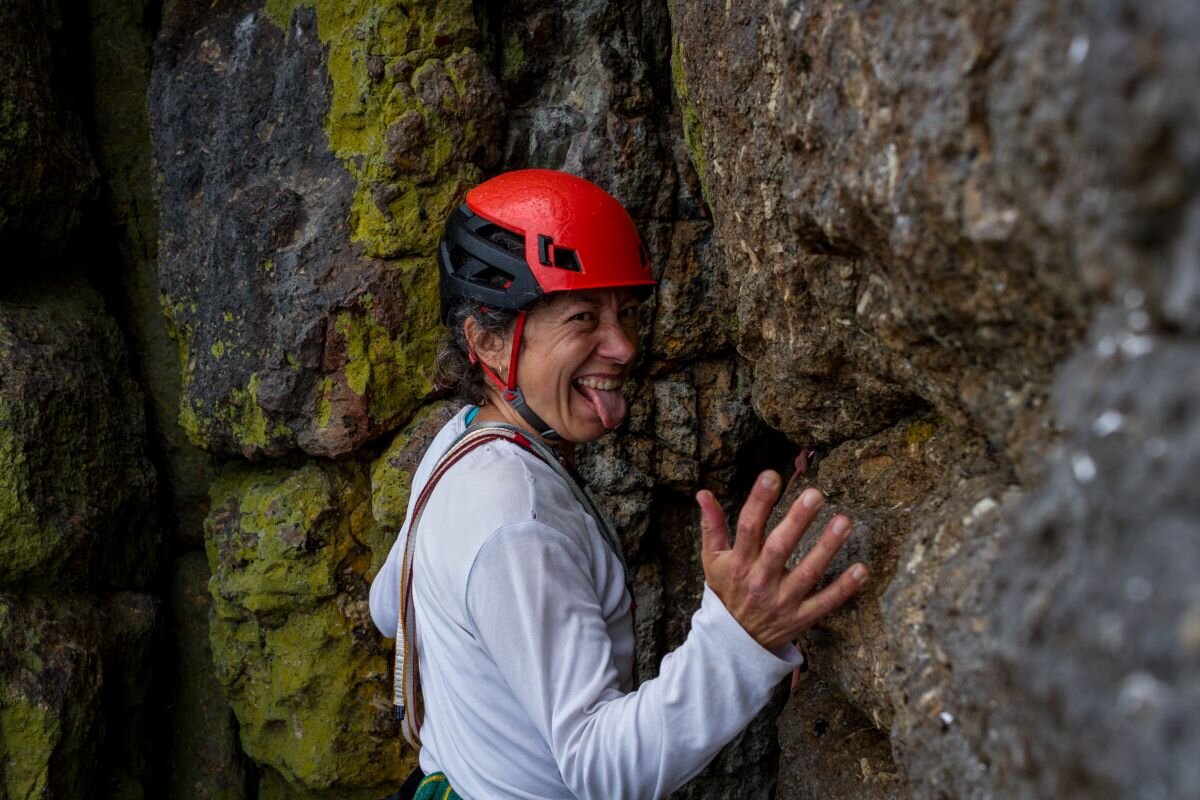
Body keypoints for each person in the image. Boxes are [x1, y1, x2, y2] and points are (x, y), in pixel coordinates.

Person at [369, 169, 868, 800]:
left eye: (625, 313)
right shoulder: (513, 515)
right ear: (489, 343)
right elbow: (601, 770)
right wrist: (741, 640)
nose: (625, 346)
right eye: (583, 317)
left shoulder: (460, 440)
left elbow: (390, 606)